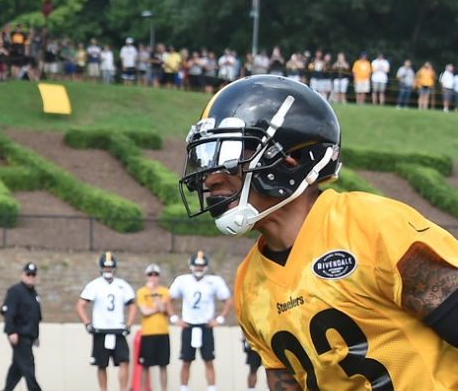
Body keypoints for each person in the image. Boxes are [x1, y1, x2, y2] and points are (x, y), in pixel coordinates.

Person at [179, 74, 458, 390]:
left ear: (290, 158)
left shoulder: (373, 226)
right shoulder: (249, 286)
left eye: (225, 154)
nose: (208, 178)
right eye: (203, 157)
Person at [167, 252, 231, 391]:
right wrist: (175, 318)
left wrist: (219, 319)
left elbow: (227, 301)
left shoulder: (214, 281)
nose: (199, 268)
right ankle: (184, 388)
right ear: (191, 266)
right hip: (188, 325)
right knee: (185, 361)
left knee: (209, 361)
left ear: (206, 267)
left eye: (201, 266)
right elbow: (168, 300)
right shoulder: (182, 280)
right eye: (197, 265)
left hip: (206, 326)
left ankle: (211, 388)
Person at [76, 252, 136, 391]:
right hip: (100, 330)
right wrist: (87, 323)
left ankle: (123, 389)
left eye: (110, 267)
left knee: (124, 361)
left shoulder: (122, 285)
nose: (108, 270)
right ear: (101, 268)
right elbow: (80, 305)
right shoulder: (95, 285)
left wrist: (129, 324)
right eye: (105, 267)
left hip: (118, 329)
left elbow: (132, 306)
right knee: (101, 364)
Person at [1, 262, 43, 391]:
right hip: (19, 336)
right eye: (28, 274)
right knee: (29, 367)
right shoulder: (16, 291)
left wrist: (36, 336)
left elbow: (35, 317)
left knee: (17, 370)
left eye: (33, 275)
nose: (30, 277)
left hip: (29, 336)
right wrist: (11, 331)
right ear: (23, 274)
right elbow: (9, 313)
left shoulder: (34, 294)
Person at [133, 264, 173, 391]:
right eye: (150, 275)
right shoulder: (141, 292)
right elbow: (145, 311)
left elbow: (165, 310)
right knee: (145, 365)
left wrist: (155, 295)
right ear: (146, 277)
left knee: (163, 365)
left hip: (162, 331)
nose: (153, 278)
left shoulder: (165, 291)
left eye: (156, 275)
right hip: (148, 333)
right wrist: (158, 307)